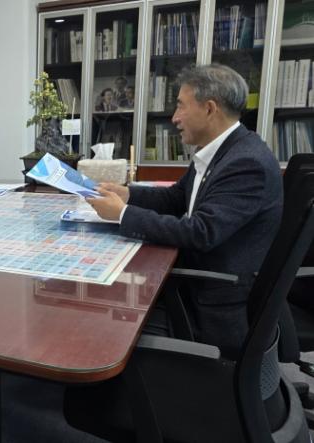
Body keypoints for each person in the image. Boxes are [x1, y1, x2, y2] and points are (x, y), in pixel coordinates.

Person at [86, 63, 283, 355]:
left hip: (212, 305)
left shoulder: (246, 162)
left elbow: (201, 232)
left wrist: (123, 214)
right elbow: (177, 198)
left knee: (104, 320)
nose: (174, 118)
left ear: (209, 108)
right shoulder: (223, 151)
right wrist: (127, 194)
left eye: (180, 106)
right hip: (195, 281)